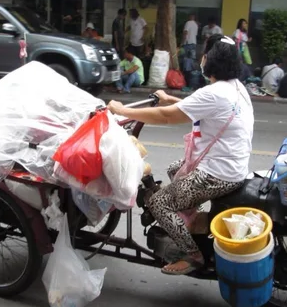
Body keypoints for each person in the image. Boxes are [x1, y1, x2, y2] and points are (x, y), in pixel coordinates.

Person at [107, 34, 254, 275]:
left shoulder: (214, 92)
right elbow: (197, 108)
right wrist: (168, 99)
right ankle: (190, 220)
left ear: (210, 59)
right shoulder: (236, 88)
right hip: (232, 168)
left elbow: (168, 116)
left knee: (159, 202)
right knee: (175, 168)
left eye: (204, 54)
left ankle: (193, 255)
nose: (201, 58)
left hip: (217, 174)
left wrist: (122, 109)